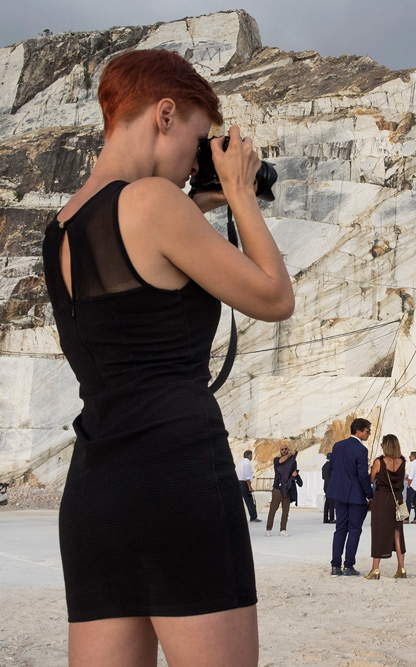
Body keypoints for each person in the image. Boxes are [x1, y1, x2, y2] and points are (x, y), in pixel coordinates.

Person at [42, 49, 294, 664]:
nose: (194, 158)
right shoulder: (156, 202)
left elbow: (136, 284)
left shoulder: (61, 226)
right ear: (163, 113)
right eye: (197, 136)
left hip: (97, 489)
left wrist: (197, 208)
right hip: (178, 475)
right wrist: (239, 194)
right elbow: (274, 297)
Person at [328, 419, 374, 576]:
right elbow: (362, 476)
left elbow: (333, 468)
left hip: (339, 494)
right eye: (368, 431)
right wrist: (369, 494)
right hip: (356, 496)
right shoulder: (361, 450)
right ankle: (348, 565)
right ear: (359, 431)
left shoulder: (337, 446)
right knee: (354, 530)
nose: (369, 434)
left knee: (340, 529)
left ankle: (335, 566)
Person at [365, 434, 407, 580]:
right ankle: (401, 568)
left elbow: (371, 479)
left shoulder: (379, 461)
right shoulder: (403, 461)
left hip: (383, 500)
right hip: (398, 500)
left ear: (385, 445)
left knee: (379, 532)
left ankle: (375, 570)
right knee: (398, 533)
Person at [267, 446, 299, 535]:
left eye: (286, 449)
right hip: (277, 488)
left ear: (288, 449)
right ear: (280, 451)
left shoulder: (293, 461)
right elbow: (282, 461)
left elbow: (293, 472)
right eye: (282, 449)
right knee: (273, 509)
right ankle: (268, 529)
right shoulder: (276, 459)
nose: (284, 451)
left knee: (286, 511)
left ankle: (283, 530)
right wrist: (290, 454)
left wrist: (294, 475)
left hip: (287, 488)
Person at [236, 450, 260, 522]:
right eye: (251, 455)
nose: (252, 457)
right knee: (250, 501)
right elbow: (247, 476)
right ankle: (253, 517)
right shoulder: (247, 463)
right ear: (249, 455)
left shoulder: (240, 463)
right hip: (245, 484)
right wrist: (250, 487)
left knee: (244, 502)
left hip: (239, 483)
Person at [405, 451, 416, 523]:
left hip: (412, 486)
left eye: (410, 456)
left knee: (408, 503)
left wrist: (408, 485)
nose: (409, 457)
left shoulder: (413, 464)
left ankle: (406, 519)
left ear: (413, 456)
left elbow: (411, 476)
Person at [321, 454, 335, 523]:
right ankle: (331, 518)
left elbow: (323, 477)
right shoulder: (332, 466)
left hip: (326, 486)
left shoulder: (324, 466)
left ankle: (325, 519)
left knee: (327, 503)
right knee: (332, 503)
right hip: (332, 486)